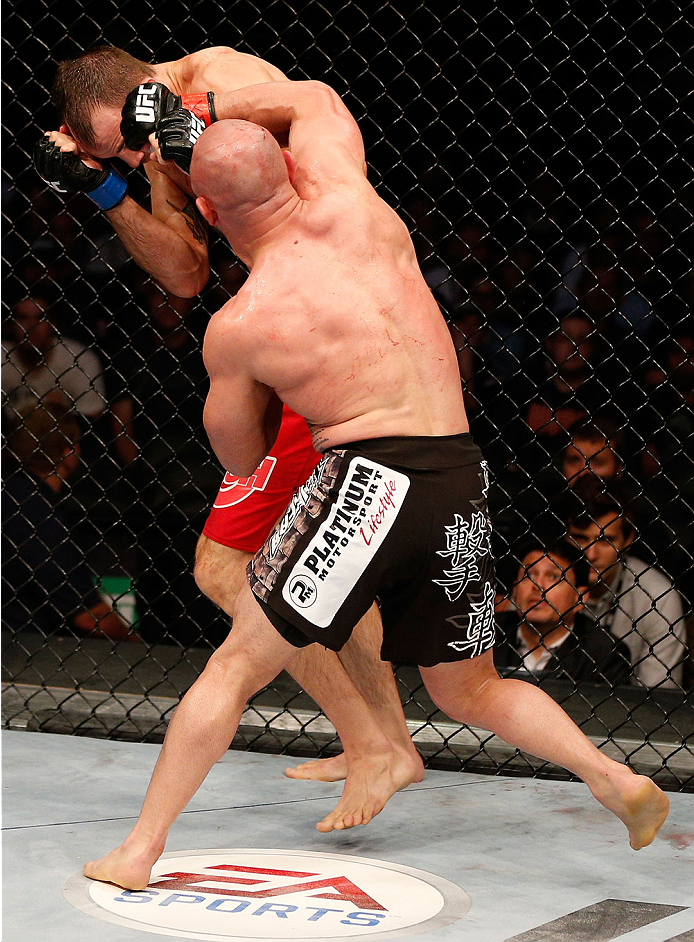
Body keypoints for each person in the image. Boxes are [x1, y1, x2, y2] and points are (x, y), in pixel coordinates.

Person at [83, 79, 669, 891]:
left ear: (211, 217)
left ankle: (137, 852)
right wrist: (205, 110)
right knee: (471, 687)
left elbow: (240, 458)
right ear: (288, 171)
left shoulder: (244, 324)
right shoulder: (359, 204)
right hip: (459, 474)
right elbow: (316, 96)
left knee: (231, 668)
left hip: (365, 482)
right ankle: (611, 776)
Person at [36, 44, 421, 791]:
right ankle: (383, 742)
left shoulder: (225, 79)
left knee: (226, 565)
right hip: (298, 350)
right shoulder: (148, 145)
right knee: (291, 563)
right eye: (121, 151)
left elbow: (315, 174)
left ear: (147, 88)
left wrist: (194, 124)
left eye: (130, 141)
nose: (139, 154)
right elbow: (185, 271)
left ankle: (376, 743)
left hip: (329, 340)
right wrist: (107, 190)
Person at [2, 407, 137, 642]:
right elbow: (87, 616)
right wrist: (140, 645)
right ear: (68, 452)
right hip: (27, 644)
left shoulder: (14, 494)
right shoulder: (38, 514)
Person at [566, 479, 687, 689]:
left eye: (605, 541)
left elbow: (658, 699)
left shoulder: (658, 597)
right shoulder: (537, 582)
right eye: (580, 539)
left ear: (628, 540)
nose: (589, 554)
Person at [494, 537, 631, 685]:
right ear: (515, 589)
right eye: (529, 574)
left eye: (554, 577)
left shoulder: (606, 654)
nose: (537, 585)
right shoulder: (484, 634)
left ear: (580, 598)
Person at [2, 292, 107, 424]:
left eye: (40, 317)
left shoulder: (80, 360)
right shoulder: (3, 357)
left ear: (53, 324)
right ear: (10, 325)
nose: (31, 326)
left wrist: (63, 414)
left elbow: (93, 417)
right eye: (23, 318)